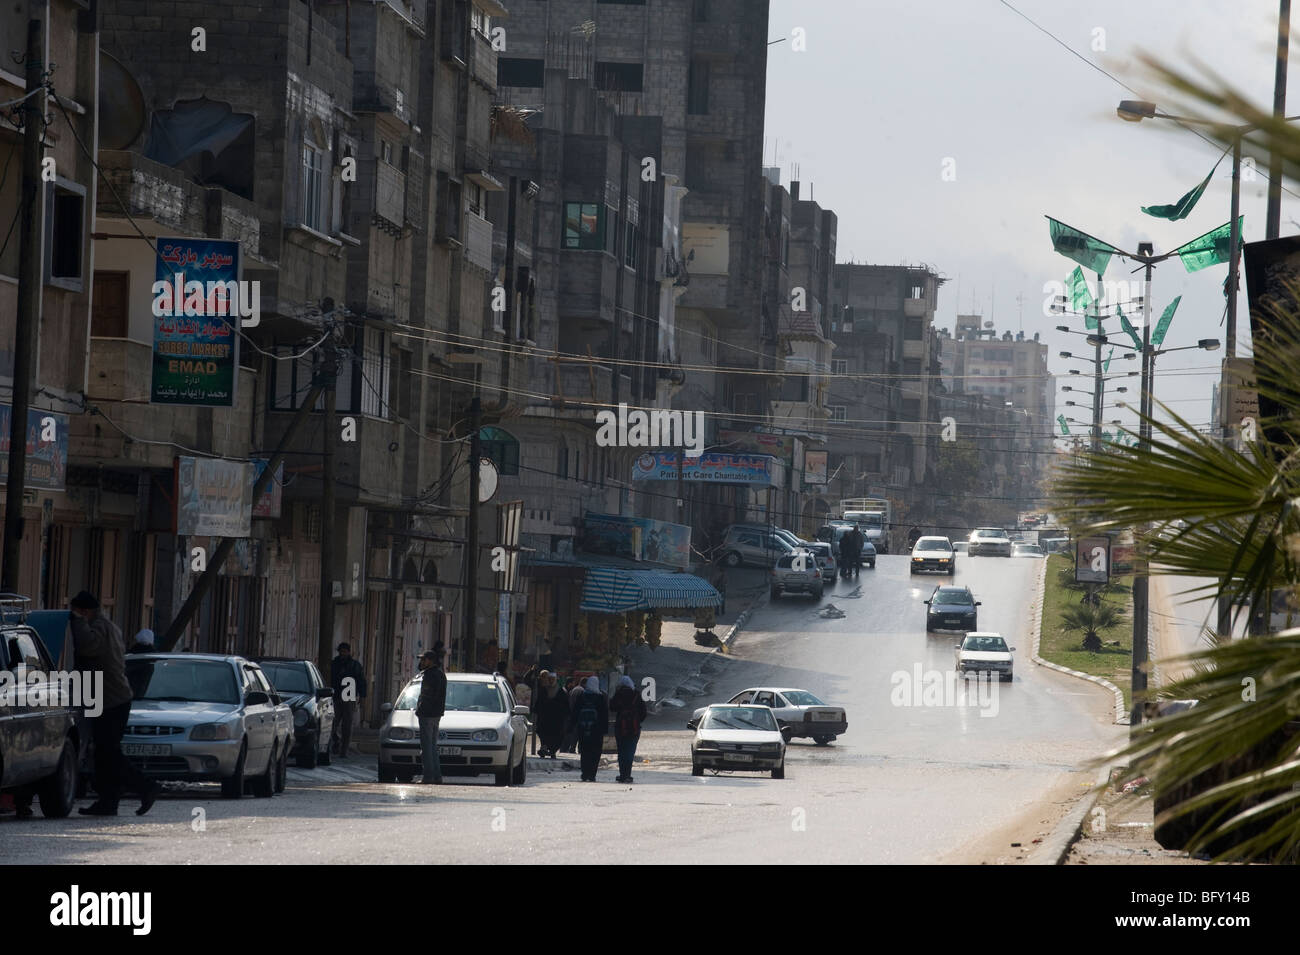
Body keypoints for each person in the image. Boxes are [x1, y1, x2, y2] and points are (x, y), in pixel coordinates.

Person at [69, 591, 158, 816]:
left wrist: (78, 623)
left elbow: (88, 647)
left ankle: (145, 785)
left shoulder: (99, 627)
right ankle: (108, 801)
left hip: (111, 700)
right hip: (110, 698)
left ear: (84, 611)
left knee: (108, 753)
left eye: (77, 612)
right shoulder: (106, 625)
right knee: (103, 754)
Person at [568, 676, 608, 782]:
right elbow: (604, 715)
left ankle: (585, 773)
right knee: (595, 753)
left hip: (583, 729)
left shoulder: (582, 696)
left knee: (584, 752)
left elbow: (575, 712)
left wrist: (571, 726)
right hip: (596, 731)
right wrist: (605, 730)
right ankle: (592, 774)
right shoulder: (601, 697)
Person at [416, 646, 446, 784]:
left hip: (428, 714)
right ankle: (436, 776)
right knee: (432, 746)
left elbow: (427, 696)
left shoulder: (430, 675)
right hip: (436, 714)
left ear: (431, 661)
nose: (422, 662)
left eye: (424, 660)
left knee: (427, 747)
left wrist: (421, 709)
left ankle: (428, 776)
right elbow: (420, 669)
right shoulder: (439, 673)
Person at [330, 642, 367, 757]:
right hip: (335, 696)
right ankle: (336, 742)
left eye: (345, 651)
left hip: (349, 697)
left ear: (349, 652)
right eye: (341, 651)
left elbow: (361, 681)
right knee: (332, 724)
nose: (343, 653)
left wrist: (362, 696)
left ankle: (343, 750)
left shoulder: (354, 665)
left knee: (347, 725)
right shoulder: (334, 664)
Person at [609, 675, 647, 784]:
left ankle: (622, 774)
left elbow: (612, 707)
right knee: (630, 751)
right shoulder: (636, 694)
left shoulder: (619, 694)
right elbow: (643, 712)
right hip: (634, 728)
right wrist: (637, 720)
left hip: (620, 727)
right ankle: (628, 775)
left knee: (621, 751)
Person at [532, 670, 567, 758]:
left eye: (553, 679)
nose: (551, 681)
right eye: (550, 679)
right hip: (545, 719)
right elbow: (539, 704)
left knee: (557, 736)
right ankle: (544, 748)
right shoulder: (543, 690)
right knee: (544, 734)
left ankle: (552, 751)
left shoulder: (561, 691)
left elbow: (564, 705)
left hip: (557, 720)